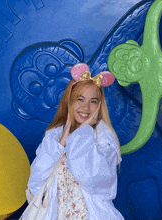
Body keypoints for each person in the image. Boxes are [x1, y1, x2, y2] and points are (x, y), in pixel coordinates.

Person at [26, 63, 124, 220]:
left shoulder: (105, 141)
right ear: (69, 101)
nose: (86, 107)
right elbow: (35, 185)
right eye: (80, 99)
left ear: (99, 106)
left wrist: (83, 132)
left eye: (93, 101)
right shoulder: (54, 137)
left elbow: (91, 178)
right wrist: (60, 144)